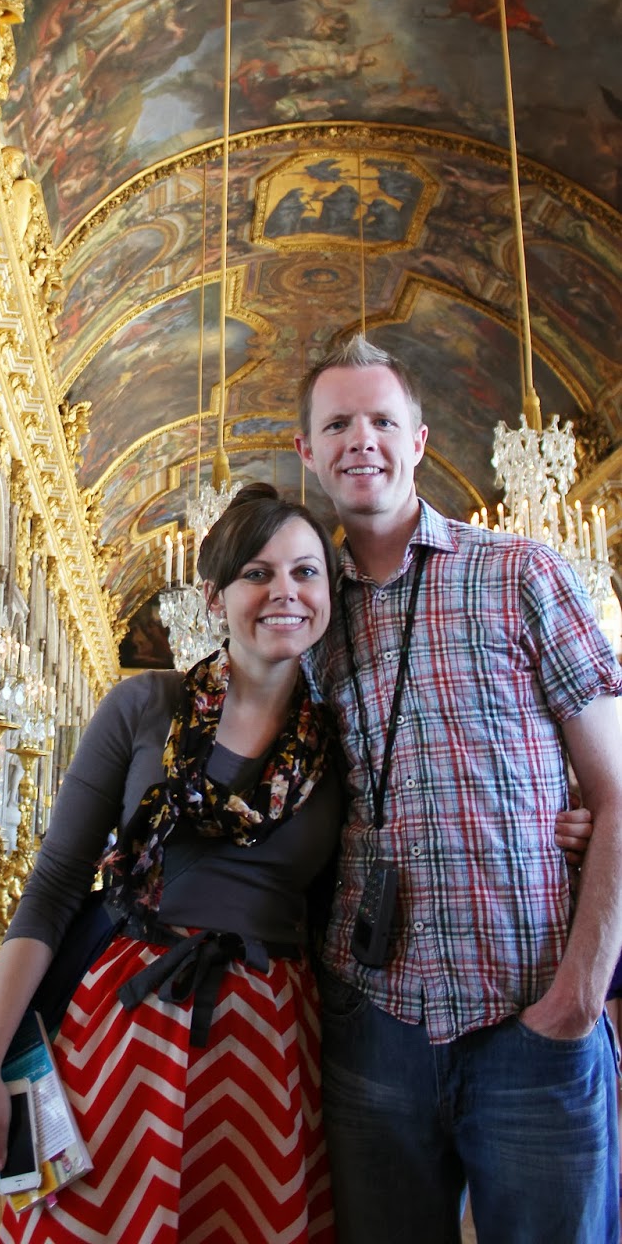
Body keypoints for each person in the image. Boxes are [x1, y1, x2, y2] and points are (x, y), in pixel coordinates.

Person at [292, 333, 622, 1244]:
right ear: (309, 453)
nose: (362, 439)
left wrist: (581, 996)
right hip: (371, 1029)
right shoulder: (306, 617)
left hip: (533, 1018)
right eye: (338, 423)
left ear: (421, 440)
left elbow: (620, 791)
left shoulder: (521, 574)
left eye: (382, 421)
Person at [0, 485, 342, 1242]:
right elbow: (55, 887)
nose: (284, 593)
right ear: (214, 596)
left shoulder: (343, 740)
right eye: (257, 574)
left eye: (306, 572)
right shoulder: (144, 706)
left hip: (275, 1040)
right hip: (128, 1021)